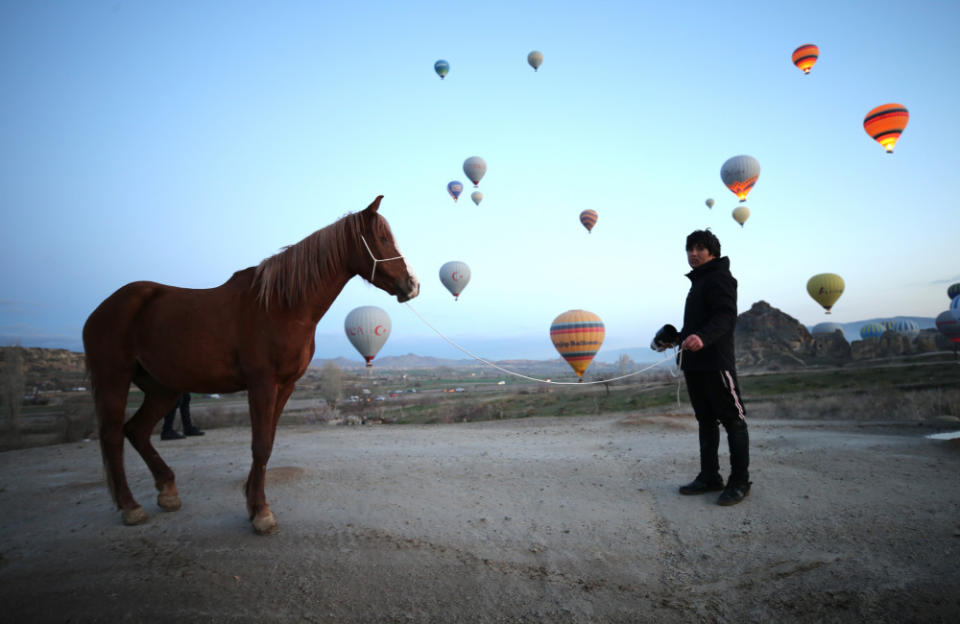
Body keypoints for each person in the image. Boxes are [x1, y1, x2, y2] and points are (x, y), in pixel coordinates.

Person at [652, 229, 750, 506]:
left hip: (716, 363)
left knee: (733, 420)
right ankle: (710, 476)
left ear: (712, 252)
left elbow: (725, 317)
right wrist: (678, 338)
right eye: (689, 249)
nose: (693, 253)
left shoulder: (721, 278)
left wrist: (703, 338)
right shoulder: (698, 283)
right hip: (694, 364)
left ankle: (740, 481)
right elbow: (696, 327)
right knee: (706, 422)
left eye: (699, 248)